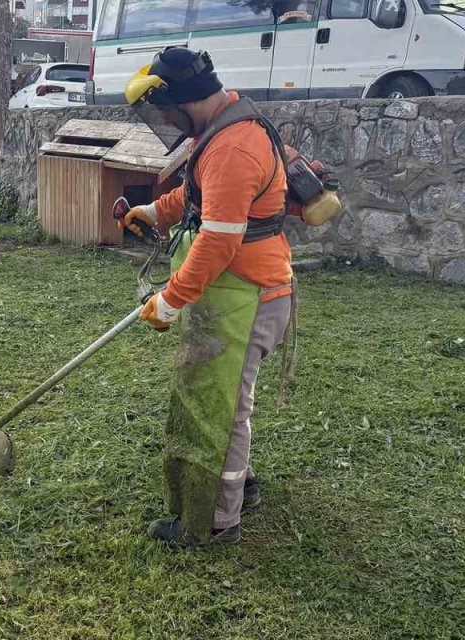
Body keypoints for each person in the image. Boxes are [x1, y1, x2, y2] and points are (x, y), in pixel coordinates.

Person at [118, 48, 293, 548]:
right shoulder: (222, 127)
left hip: (248, 297)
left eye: (162, 111)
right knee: (228, 400)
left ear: (178, 100)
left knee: (222, 407)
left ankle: (216, 519)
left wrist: (171, 300)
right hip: (239, 292)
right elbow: (200, 197)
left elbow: (219, 237)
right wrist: (155, 210)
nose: (163, 120)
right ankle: (243, 485)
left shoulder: (233, 147)